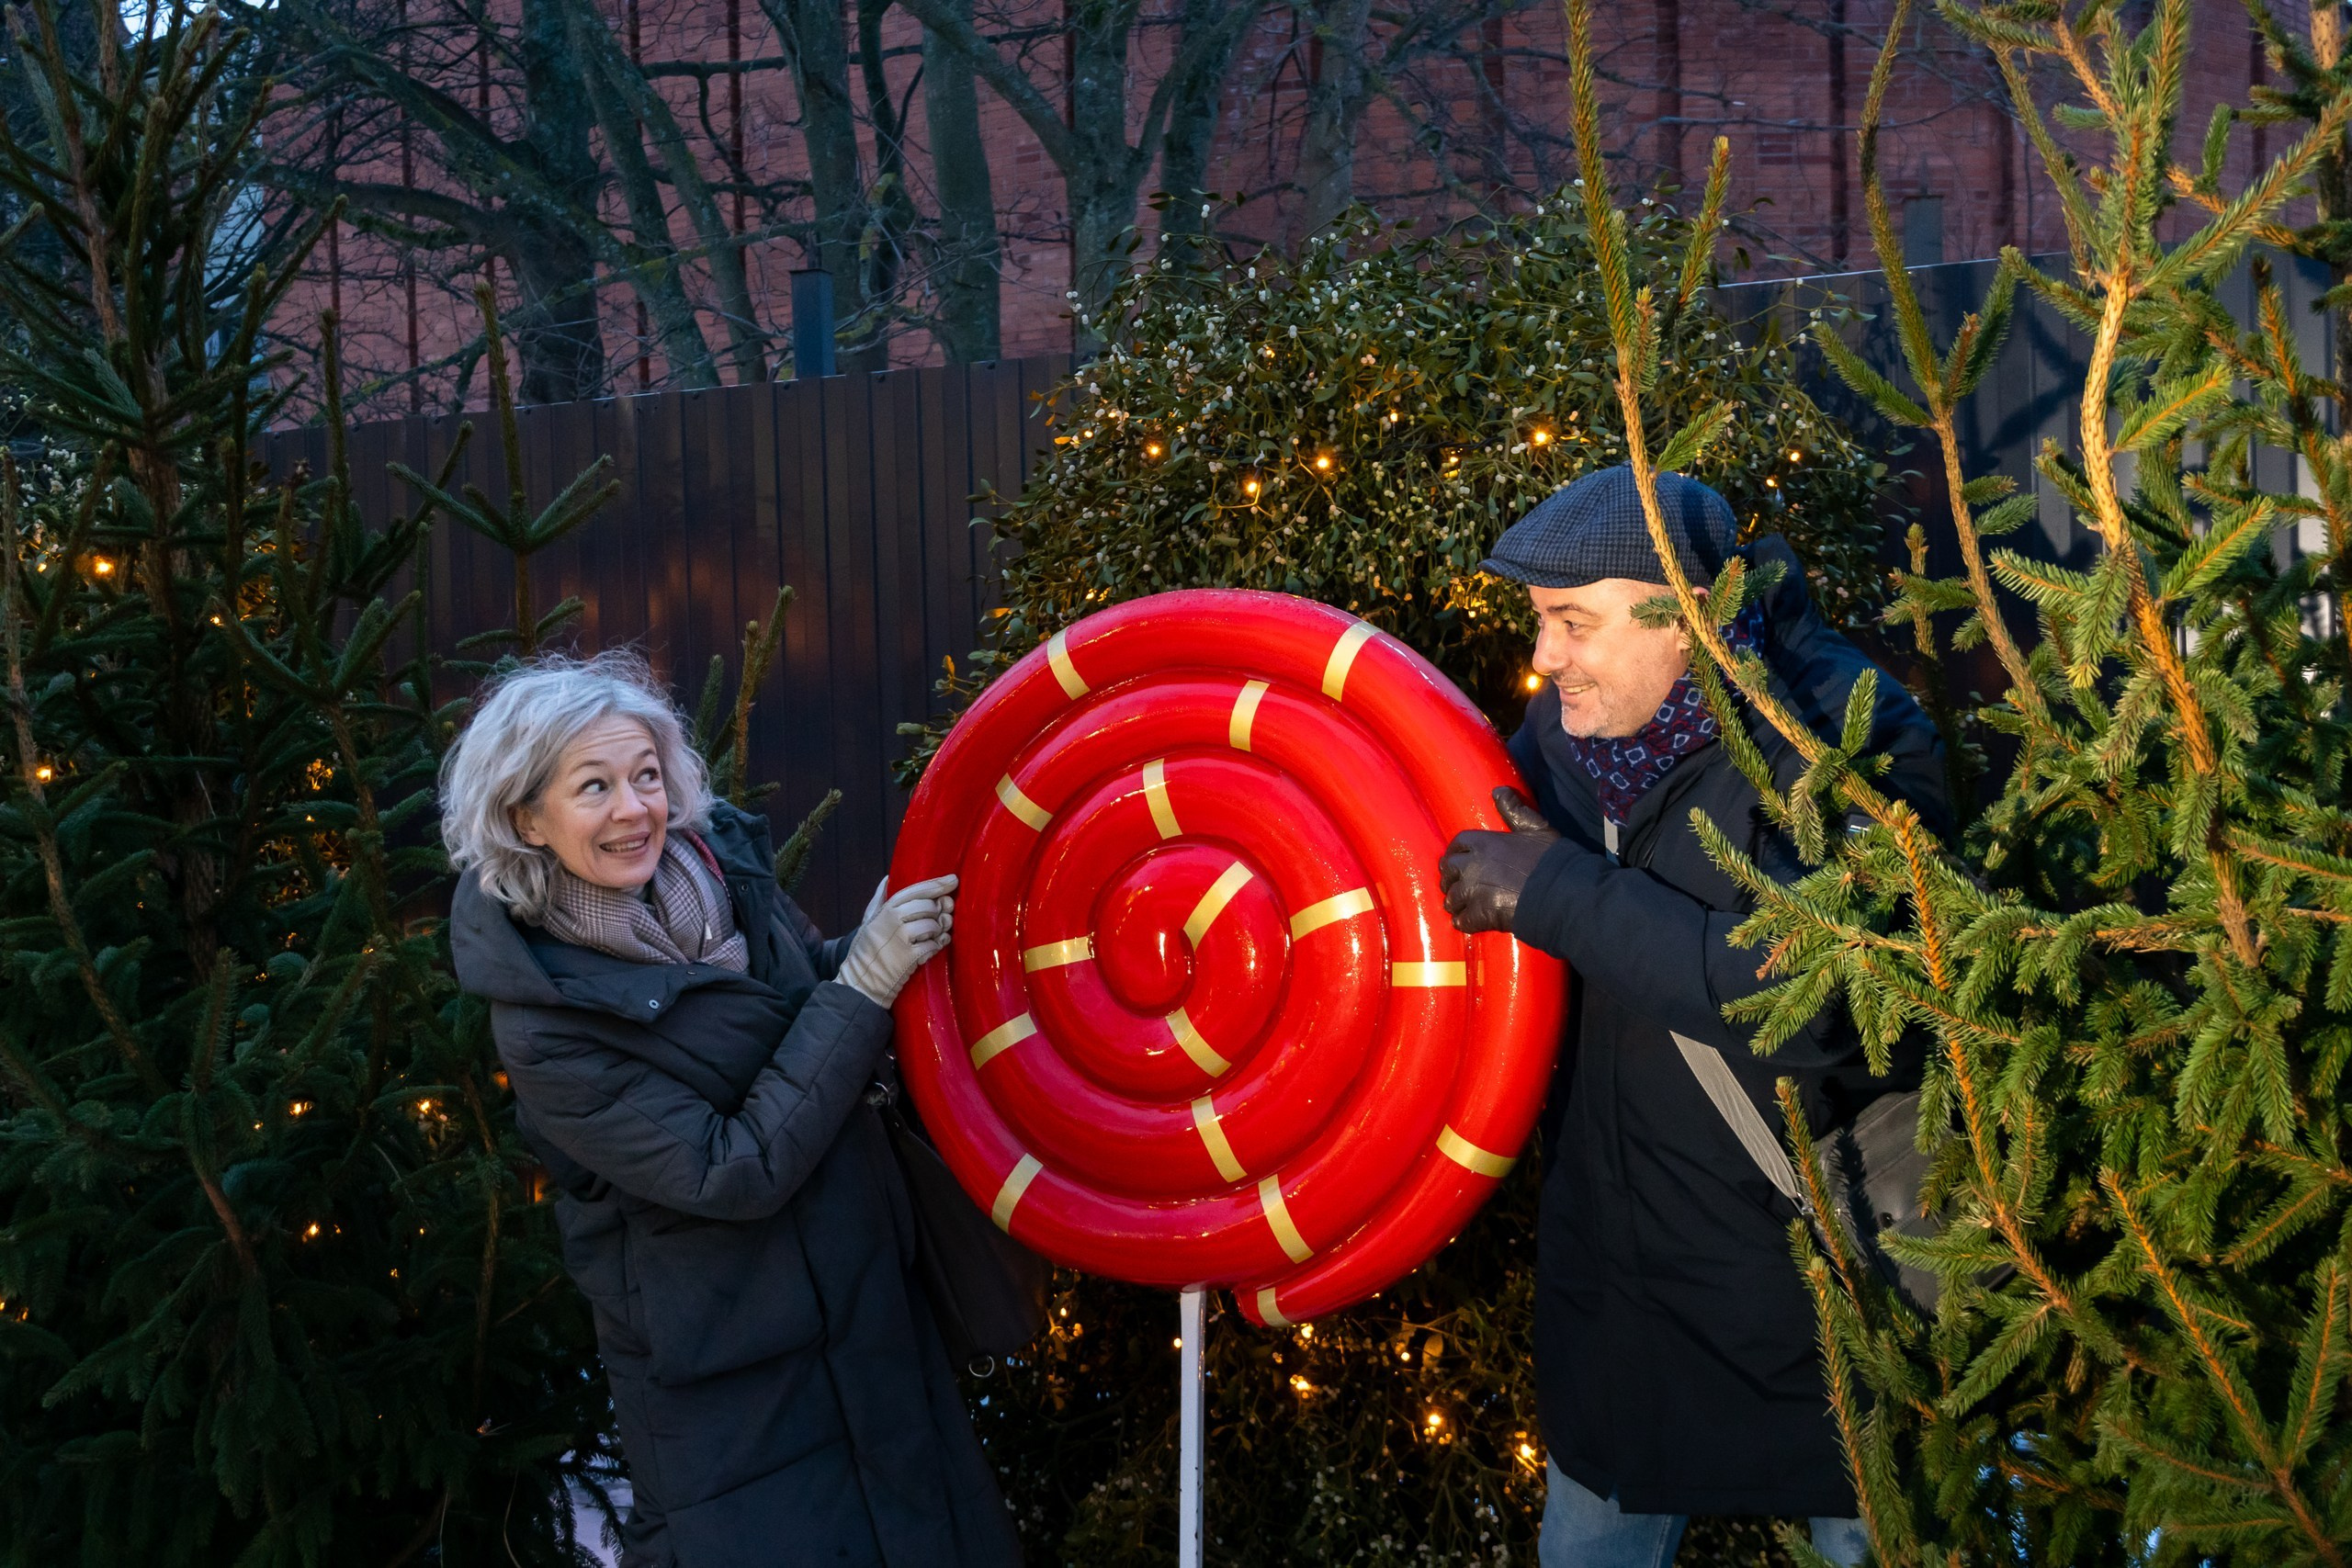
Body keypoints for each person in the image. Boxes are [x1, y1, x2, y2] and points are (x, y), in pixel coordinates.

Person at [1438, 466, 1947, 1568]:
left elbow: (1833, 996)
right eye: (1539, 623)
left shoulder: (1844, 737)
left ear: (1689, 618)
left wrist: (1556, 893)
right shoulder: (1557, 746)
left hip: (1822, 1312)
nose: (1541, 659)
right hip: (1619, 1320)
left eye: (1572, 623)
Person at [441, 649, 1022, 1568]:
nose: (634, 809)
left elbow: (796, 1015)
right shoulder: (546, 1019)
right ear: (527, 819)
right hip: (738, 1390)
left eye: (643, 776)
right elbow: (728, 1166)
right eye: (593, 787)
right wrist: (863, 986)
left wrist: (867, 948)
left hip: (866, 1316)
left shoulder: (722, 874)